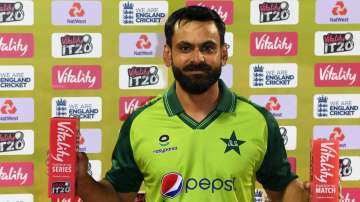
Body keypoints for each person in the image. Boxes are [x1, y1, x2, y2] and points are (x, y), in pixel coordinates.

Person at [76, 6, 310, 202]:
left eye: (208, 48)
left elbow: (281, 191)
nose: (197, 58)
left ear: (224, 54)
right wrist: (82, 180)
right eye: (185, 48)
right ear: (168, 55)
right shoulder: (140, 122)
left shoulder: (258, 120)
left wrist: (309, 195)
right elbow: (117, 197)